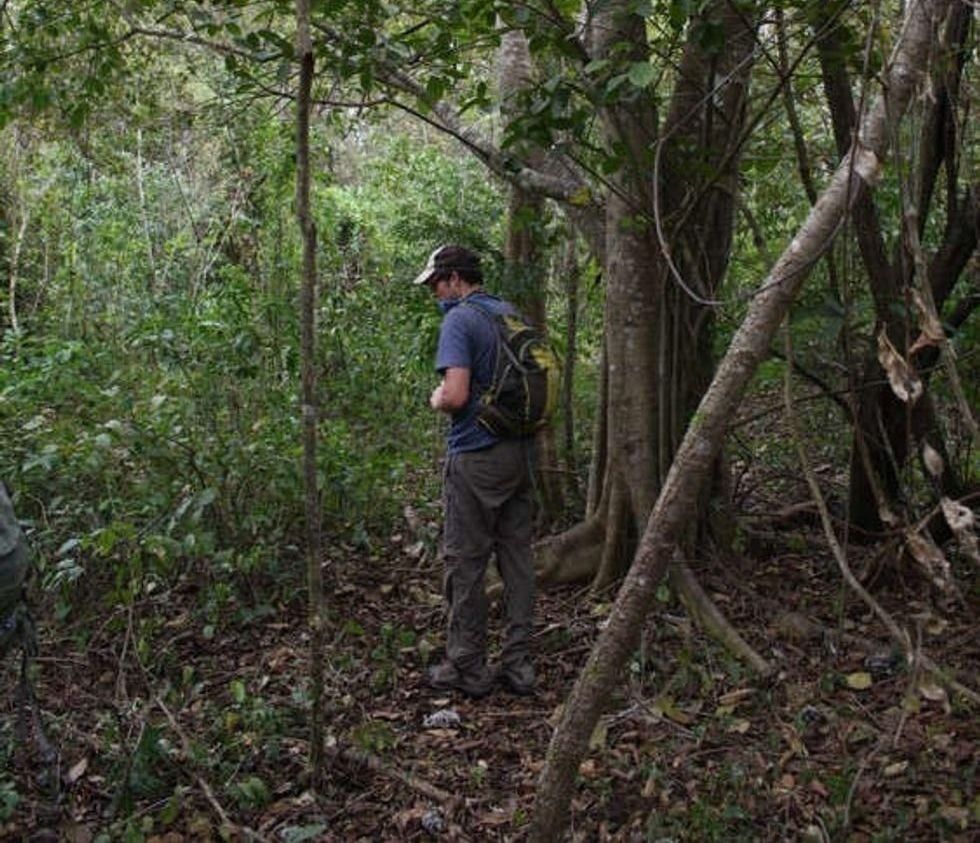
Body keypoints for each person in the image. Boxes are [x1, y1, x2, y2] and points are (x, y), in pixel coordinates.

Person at [414, 244, 536, 698]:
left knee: (466, 560)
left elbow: (456, 395)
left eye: (436, 284)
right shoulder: (509, 313)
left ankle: (467, 666)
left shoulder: (460, 320)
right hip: (520, 454)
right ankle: (519, 664)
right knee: (517, 559)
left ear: (454, 279)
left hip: (477, 454)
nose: (434, 293)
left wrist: (437, 398)